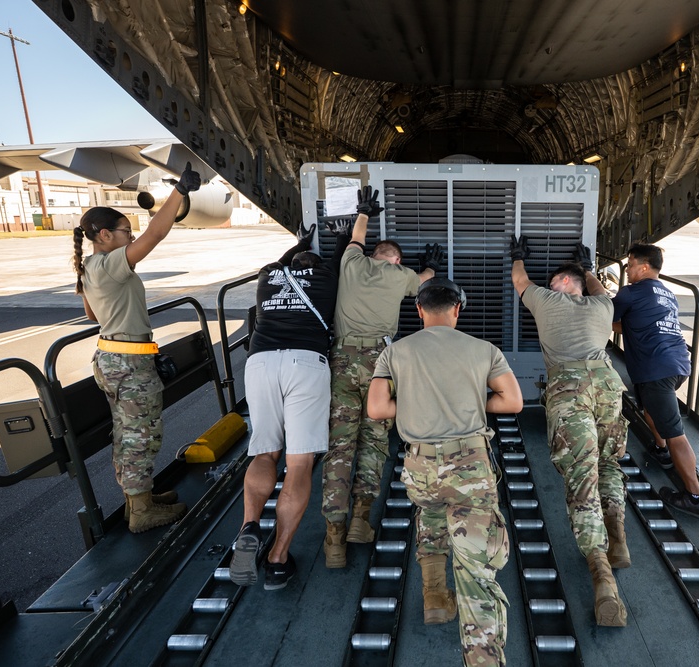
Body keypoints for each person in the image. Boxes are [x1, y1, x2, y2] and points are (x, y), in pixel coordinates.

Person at [367, 278, 521, 667]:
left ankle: (435, 595)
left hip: (420, 472)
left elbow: (377, 409)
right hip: (469, 471)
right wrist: (473, 401)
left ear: (419, 310)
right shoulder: (484, 350)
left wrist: (414, 403)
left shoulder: (394, 353)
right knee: (475, 571)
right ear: (457, 309)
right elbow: (512, 401)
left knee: (432, 513)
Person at [72, 162, 200, 533]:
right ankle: (142, 511)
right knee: (141, 434)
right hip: (128, 362)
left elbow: (93, 314)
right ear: (105, 235)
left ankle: (137, 501)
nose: (132, 237)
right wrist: (179, 193)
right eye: (126, 232)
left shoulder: (91, 266)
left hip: (113, 357)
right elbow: (155, 234)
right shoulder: (109, 264)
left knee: (129, 432)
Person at [509, 236, 630, 627]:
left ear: (562, 283)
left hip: (569, 390)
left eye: (554, 280)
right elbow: (598, 289)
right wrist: (589, 270)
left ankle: (603, 577)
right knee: (608, 463)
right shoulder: (602, 305)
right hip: (608, 386)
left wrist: (518, 257)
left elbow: (520, 282)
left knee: (582, 478)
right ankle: (618, 538)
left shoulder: (547, 301)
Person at [322, 185, 443, 568]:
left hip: (343, 359)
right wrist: (429, 266)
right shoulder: (401, 275)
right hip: (380, 362)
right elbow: (425, 280)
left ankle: (334, 539)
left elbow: (356, 239)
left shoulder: (351, 263)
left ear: (373, 254)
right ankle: (361, 519)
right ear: (396, 259)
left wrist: (364, 213)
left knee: (340, 445)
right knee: (374, 438)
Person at [228, 220, 350, 590]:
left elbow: (281, 261)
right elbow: (340, 259)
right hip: (305, 362)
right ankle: (278, 557)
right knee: (299, 463)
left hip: (261, 362)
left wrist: (299, 242)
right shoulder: (326, 280)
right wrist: (342, 236)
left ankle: (249, 524)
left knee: (265, 453)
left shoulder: (269, 277)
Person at [611, 243, 699, 519]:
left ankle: (695, 497)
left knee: (675, 432)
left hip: (656, 370)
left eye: (630, 264)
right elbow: (633, 325)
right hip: (677, 363)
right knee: (650, 408)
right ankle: (660, 449)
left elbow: (604, 314)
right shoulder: (667, 294)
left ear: (644, 267)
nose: (627, 269)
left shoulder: (630, 292)